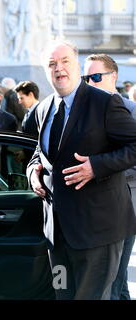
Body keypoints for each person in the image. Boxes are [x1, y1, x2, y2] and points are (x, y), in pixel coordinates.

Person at [27, 40, 136, 300]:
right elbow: (38, 152)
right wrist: (33, 172)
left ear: (77, 66)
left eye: (65, 61)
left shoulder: (104, 103)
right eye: (51, 64)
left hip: (98, 231)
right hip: (57, 235)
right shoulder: (42, 109)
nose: (59, 68)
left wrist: (96, 166)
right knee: (62, 295)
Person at [83, 53, 136, 300]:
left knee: (115, 277)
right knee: (112, 279)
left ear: (113, 76)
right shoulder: (82, 110)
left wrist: (100, 167)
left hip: (126, 202)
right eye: (86, 78)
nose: (90, 83)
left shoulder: (130, 109)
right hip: (94, 208)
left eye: (95, 77)